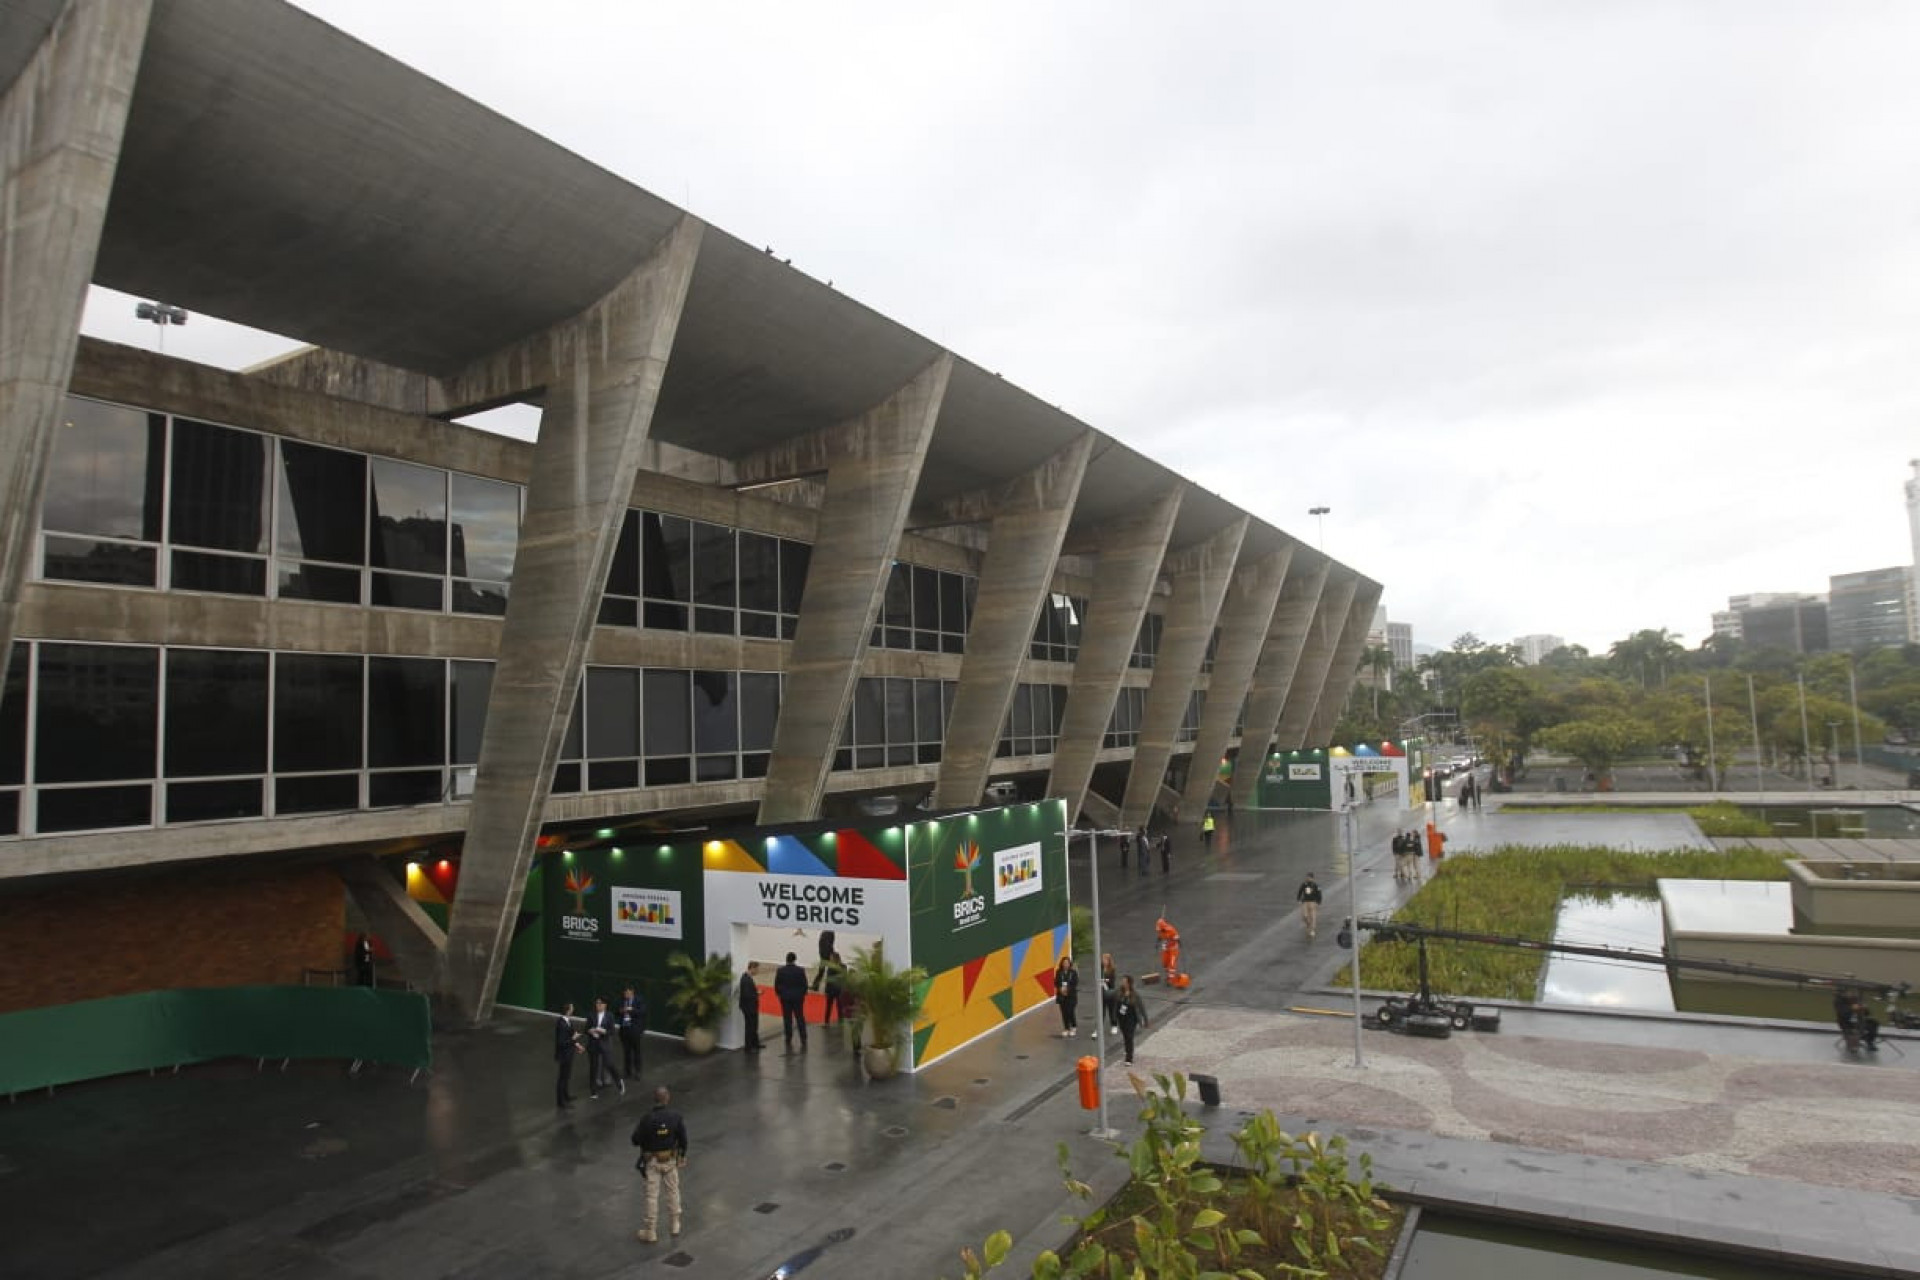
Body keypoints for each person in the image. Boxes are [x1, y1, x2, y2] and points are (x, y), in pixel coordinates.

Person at [631, 1086, 689, 1243]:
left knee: (652, 1196)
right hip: (670, 1160)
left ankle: (650, 1231)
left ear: (654, 1099)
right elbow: (683, 1140)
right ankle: (675, 1224)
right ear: (667, 1098)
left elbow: (635, 1140)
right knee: (673, 1191)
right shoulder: (676, 1117)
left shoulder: (647, 1119)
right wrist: (682, 1156)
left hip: (652, 1161)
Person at [585, 997, 626, 1098]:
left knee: (609, 1064)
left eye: (600, 1003)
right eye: (596, 1003)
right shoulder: (591, 1014)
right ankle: (593, 1091)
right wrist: (591, 1031)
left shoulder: (609, 1016)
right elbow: (586, 1028)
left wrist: (604, 1031)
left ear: (605, 1005)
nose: (597, 1005)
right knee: (593, 1067)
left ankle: (619, 1082)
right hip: (593, 1043)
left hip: (604, 1043)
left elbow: (612, 1031)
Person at [774, 951, 810, 1050]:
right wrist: (802, 994)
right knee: (800, 1017)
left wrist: (780, 994)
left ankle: (788, 1037)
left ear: (786, 959)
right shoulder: (800, 970)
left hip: (785, 998)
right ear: (795, 959)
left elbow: (777, 985)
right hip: (798, 998)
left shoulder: (780, 971)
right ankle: (803, 1037)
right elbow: (804, 985)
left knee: (787, 1019)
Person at [1113, 974, 1149, 1064]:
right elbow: (1116, 1005)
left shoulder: (1135, 995)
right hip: (1122, 1018)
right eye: (1122, 981)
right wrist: (1114, 1017)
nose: (1123, 983)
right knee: (1125, 1036)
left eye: (1125, 982)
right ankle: (1127, 1049)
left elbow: (1141, 1007)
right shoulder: (1119, 992)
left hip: (1131, 1018)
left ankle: (1129, 1057)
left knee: (1129, 1036)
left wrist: (1145, 1020)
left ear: (1129, 983)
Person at [553, 1001, 582, 1108]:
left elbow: (570, 1036)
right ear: (568, 1010)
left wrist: (577, 1045)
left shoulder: (568, 1021)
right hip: (564, 1055)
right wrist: (573, 1039)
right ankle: (561, 1102)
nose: (573, 1009)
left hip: (568, 1054)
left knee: (566, 1076)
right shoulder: (562, 1024)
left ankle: (566, 1096)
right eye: (572, 1008)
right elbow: (561, 1042)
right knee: (562, 1078)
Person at [1834, 986, 1880, 1051]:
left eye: (1853, 993)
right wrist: (1852, 1008)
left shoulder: (1856, 999)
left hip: (1859, 1020)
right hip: (1846, 1022)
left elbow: (1867, 1014)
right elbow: (1843, 1013)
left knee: (1874, 1023)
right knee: (1855, 1028)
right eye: (1850, 992)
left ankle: (1869, 1041)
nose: (1853, 994)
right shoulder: (1839, 1001)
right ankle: (1855, 1041)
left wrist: (1865, 1008)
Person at [617, 985, 646, 1079]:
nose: (626, 994)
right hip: (624, 1029)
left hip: (635, 1030)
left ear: (632, 992)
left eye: (627, 992)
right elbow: (617, 1011)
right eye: (624, 993)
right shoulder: (622, 1000)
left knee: (636, 1051)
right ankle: (627, 1071)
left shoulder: (639, 1000)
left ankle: (638, 1071)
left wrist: (631, 1010)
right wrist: (621, 1011)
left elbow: (642, 1012)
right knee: (626, 1052)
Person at [737, 961, 763, 1052]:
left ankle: (755, 1044)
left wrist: (756, 993)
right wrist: (756, 994)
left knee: (754, 1025)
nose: (758, 971)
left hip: (750, 1006)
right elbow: (747, 995)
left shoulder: (747, 978)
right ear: (752, 968)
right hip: (749, 1007)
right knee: (750, 1027)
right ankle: (748, 1047)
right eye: (757, 969)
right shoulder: (746, 979)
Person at [818, 950, 847, 1026]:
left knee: (830, 1007)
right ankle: (840, 1021)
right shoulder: (843, 966)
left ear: (834, 958)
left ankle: (826, 1022)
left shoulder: (831, 967)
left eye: (831, 958)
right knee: (839, 1006)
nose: (830, 959)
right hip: (838, 989)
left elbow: (829, 979)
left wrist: (826, 990)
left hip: (833, 990)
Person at [1054, 955, 1080, 1037]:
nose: (1065, 964)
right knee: (1064, 1012)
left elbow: (1075, 983)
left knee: (1070, 1011)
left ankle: (1073, 1026)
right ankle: (1066, 1028)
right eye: (1064, 963)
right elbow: (1056, 982)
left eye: (1067, 963)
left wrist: (1067, 989)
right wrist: (1060, 989)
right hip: (1062, 996)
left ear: (1069, 964)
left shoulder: (1073, 972)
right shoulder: (1059, 972)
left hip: (1071, 996)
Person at [1296, 872, 1323, 939]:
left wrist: (1318, 902)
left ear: (1312, 878)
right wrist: (1298, 899)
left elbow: (1319, 894)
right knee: (1304, 916)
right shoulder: (1304, 884)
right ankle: (1308, 924)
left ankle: (1312, 930)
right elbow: (1300, 891)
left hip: (1313, 902)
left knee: (1312, 917)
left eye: (1309, 877)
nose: (1307, 878)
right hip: (1305, 902)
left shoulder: (1316, 885)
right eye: (1307, 877)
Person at [1099, 952, 1118, 1028]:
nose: (1104, 961)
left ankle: (1114, 1025)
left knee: (1111, 1009)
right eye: (1103, 959)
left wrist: (1105, 980)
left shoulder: (1112, 970)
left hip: (1110, 991)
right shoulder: (1100, 968)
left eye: (1105, 959)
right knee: (1101, 1010)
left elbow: (1112, 981)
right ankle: (1100, 1026)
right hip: (1101, 991)